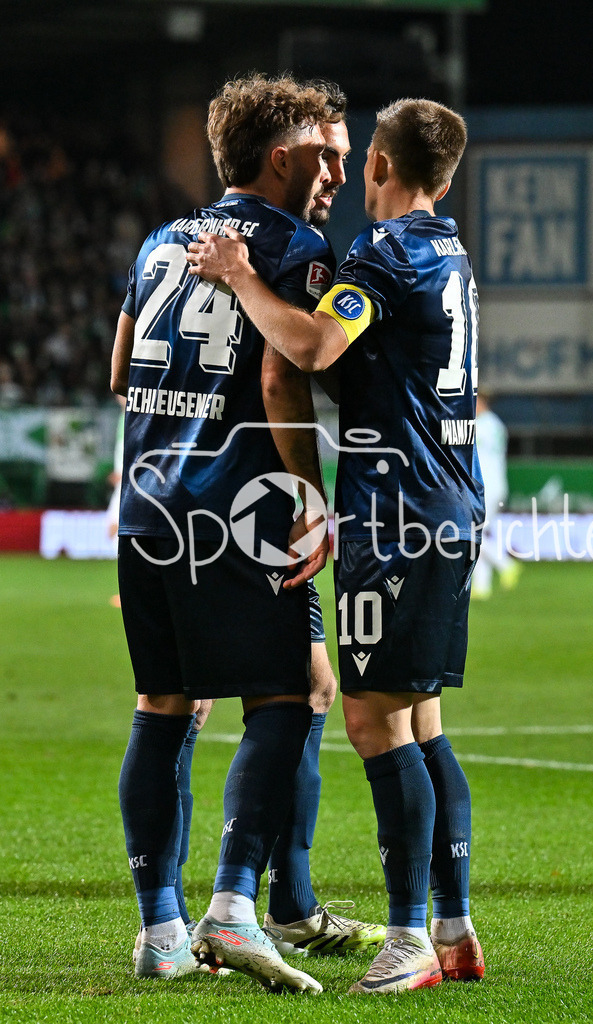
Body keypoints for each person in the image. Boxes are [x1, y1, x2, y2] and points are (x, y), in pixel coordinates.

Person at [187, 97, 487, 996]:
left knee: (371, 722)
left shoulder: (386, 255)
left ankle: (407, 942)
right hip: (451, 503)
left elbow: (313, 347)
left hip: (396, 512)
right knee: (423, 723)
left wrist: (242, 278)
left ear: (381, 170)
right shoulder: (453, 256)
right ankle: (453, 926)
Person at [112, 73, 355, 994]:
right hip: (231, 508)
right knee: (290, 691)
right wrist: (308, 494)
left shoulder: (159, 239)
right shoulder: (294, 245)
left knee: (162, 706)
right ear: (281, 155)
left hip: (146, 503)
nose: (333, 172)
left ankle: (161, 933)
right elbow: (279, 381)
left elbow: (119, 370)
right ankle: (234, 909)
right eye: (322, 156)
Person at [470, 390, 522, 599]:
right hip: (496, 484)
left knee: (473, 534)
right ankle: (482, 587)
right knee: (479, 533)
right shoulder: (496, 424)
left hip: (486, 486)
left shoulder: (480, 426)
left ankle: (506, 564)